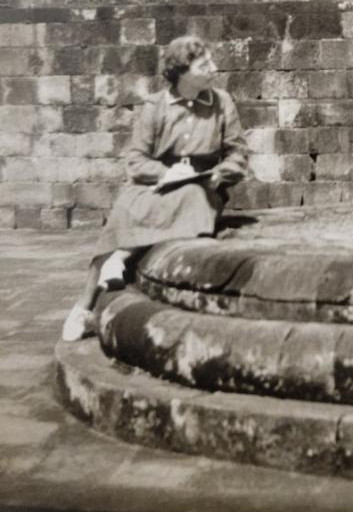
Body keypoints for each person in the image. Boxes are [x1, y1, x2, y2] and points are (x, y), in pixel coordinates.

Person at [62, 35, 249, 341]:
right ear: (183, 72)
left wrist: (221, 175)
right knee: (125, 209)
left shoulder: (221, 102)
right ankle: (83, 307)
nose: (214, 68)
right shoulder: (155, 106)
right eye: (205, 64)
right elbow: (136, 159)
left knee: (191, 198)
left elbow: (238, 153)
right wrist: (167, 172)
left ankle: (121, 259)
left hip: (201, 185)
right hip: (156, 183)